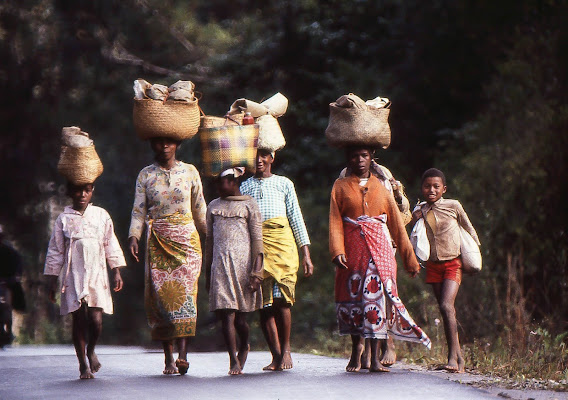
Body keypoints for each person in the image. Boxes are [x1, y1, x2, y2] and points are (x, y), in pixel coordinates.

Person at [330, 146, 431, 373]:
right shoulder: (340, 187)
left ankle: (375, 358)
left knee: (375, 301)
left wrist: (410, 260)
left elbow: (396, 226)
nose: (360, 160)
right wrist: (337, 250)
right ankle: (357, 350)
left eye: (364, 155)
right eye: (355, 156)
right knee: (355, 299)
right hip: (353, 249)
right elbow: (335, 220)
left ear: (371, 157)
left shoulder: (381, 188)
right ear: (348, 159)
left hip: (380, 248)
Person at [128, 137, 207, 375]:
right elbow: (138, 211)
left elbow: (200, 208)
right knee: (163, 298)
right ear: (152, 145)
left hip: (187, 241)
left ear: (177, 145)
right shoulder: (145, 175)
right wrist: (134, 237)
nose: (164, 147)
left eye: (169, 143)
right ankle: (168, 358)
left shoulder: (190, 172)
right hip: (158, 240)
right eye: (159, 142)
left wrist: (210, 236)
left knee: (185, 295)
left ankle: (183, 355)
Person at [240, 149, 314, 370]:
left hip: (283, 246)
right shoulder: (244, 186)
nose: (259, 160)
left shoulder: (284, 183)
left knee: (282, 301)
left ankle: (287, 351)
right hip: (257, 249)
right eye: (255, 155)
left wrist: (306, 254)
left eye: (264, 155)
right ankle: (276, 355)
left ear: (272, 158)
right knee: (264, 306)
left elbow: (296, 218)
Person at [44, 182, 125, 379]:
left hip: (97, 272)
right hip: (73, 275)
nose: (82, 194)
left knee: (96, 319)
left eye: (87, 190)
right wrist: (53, 278)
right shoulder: (63, 218)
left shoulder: (101, 215)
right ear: (70, 192)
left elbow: (110, 242)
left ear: (92, 192)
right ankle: (82, 364)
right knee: (78, 318)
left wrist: (116, 270)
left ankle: (91, 350)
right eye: (78, 190)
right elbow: (56, 250)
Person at [339, 160, 411, 367]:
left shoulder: (383, 173)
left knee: (381, 293)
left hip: (383, 239)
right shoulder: (344, 175)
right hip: (355, 240)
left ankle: (387, 343)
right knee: (357, 292)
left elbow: (399, 207)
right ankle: (358, 347)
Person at [411, 168, 480, 373]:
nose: (431, 190)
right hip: (433, 265)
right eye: (427, 186)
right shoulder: (420, 210)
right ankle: (458, 358)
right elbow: (410, 229)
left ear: (444, 189)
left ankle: (452, 357)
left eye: (436, 186)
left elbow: (469, 229)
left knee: (446, 305)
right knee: (444, 309)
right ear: (422, 188)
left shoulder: (453, 205)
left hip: (453, 263)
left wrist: (475, 253)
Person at [205, 167, 264, 375]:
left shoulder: (249, 205)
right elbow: (210, 241)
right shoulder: (213, 206)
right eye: (217, 183)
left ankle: (245, 344)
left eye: (223, 183)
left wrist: (257, 272)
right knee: (226, 315)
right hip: (220, 267)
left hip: (243, 268)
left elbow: (257, 240)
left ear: (234, 182)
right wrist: (207, 272)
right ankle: (233, 360)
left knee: (240, 319)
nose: (219, 187)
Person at [0, 225, 24, 347]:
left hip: (6, 283)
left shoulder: (9, 251)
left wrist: (15, 276)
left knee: (6, 306)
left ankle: (8, 331)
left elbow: (18, 264)